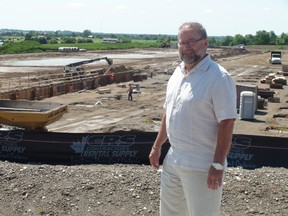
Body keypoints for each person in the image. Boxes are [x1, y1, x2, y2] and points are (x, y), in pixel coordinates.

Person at [149, 22, 237, 216]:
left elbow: (227, 123)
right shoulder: (177, 73)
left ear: (205, 43)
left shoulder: (218, 77)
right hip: (173, 161)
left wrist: (217, 164)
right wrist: (157, 146)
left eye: (191, 42)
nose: (186, 47)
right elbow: (169, 112)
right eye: (182, 43)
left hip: (202, 167)